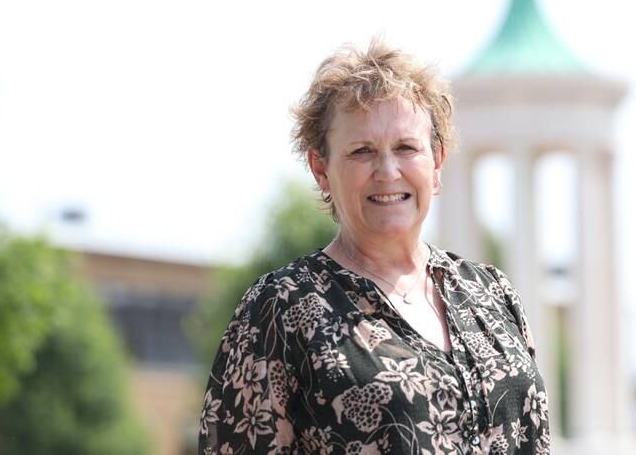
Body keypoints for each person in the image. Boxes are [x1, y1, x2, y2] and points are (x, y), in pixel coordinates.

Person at [199, 40, 549, 454]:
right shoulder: (280, 309)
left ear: (436, 162)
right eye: (362, 151)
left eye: (406, 148)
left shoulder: (492, 293)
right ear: (321, 169)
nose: (388, 171)